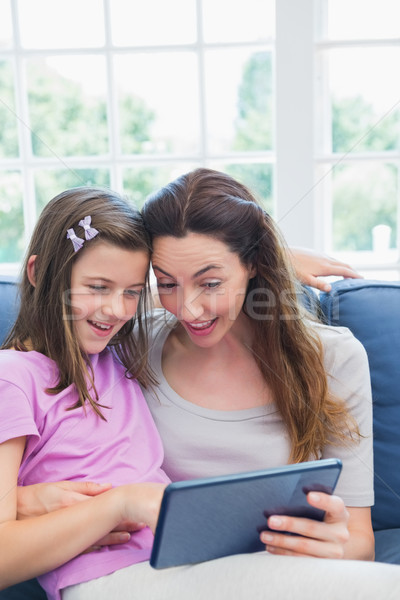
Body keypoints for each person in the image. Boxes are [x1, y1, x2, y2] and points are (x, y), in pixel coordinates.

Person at [4, 173, 400, 599]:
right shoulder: (103, 351)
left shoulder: (111, 351)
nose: (187, 309)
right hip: (133, 574)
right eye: (167, 284)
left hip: (207, 565)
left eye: (210, 282)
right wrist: (30, 502)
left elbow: (112, 283)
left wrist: (271, 257)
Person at [0, 187, 171, 598]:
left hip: (178, 553)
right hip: (111, 578)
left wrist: (267, 261)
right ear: (40, 274)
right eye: (97, 287)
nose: (117, 310)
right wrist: (120, 504)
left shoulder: (121, 351)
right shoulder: (12, 377)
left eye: (132, 292)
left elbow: (198, 286)